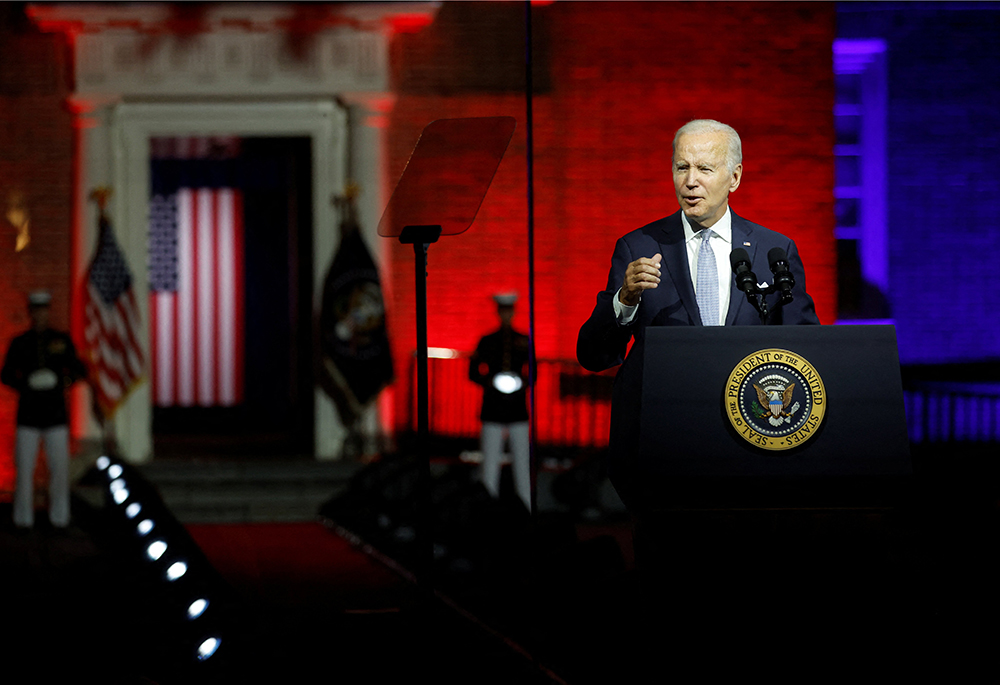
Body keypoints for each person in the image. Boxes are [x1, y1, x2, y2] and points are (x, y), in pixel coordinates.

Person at [577, 119, 820, 509]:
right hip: (662, 449)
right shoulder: (638, 246)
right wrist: (624, 299)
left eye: (705, 169)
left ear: (734, 177)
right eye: (681, 167)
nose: (690, 181)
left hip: (752, 447)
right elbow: (594, 355)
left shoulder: (774, 251)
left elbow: (807, 352)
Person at [2, 290, 87, 530]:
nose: (40, 315)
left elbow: (78, 370)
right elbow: (6, 374)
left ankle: (60, 518)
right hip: (28, 415)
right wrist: (26, 382)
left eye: (44, 310)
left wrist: (60, 382)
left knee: (59, 470)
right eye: (36, 310)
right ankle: (22, 519)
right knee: (24, 470)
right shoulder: (20, 343)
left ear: (48, 312)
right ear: (31, 313)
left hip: (55, 414)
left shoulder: (61, 339)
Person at [469, 293, 531, 510]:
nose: (506, 314)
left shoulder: (523, 340)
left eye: (509, 310)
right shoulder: (487, 341)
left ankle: (525, 509)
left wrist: (520, 383)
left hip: (517, 408)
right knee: (489, 465)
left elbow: (533, 373)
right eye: (503, 310)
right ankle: (488, 510)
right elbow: (473, 372)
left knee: (522, 464)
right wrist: (490, 382)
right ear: (499, 312)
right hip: (493, 407)